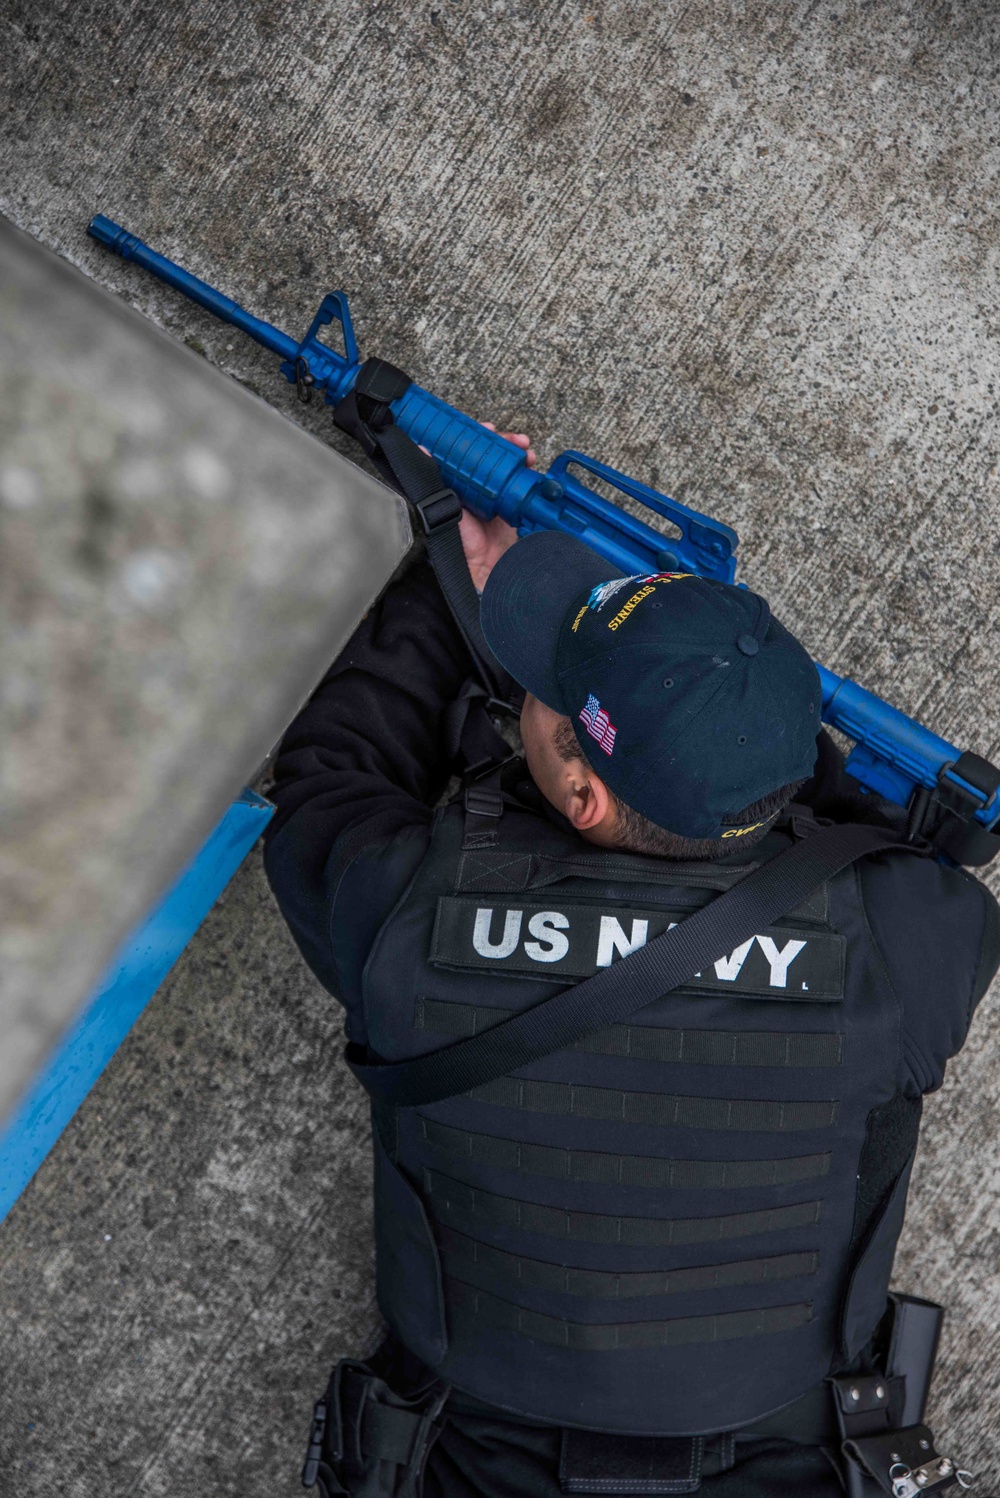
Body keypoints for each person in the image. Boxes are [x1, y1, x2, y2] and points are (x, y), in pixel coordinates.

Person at [264, 431, 1000, 1497]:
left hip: (465, 1456)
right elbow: (872, 836)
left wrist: (444, 589)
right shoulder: (918, 935)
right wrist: (748, 753)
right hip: (788, 1458)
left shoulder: (406, 911)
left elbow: (333, 774)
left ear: (583, 798)